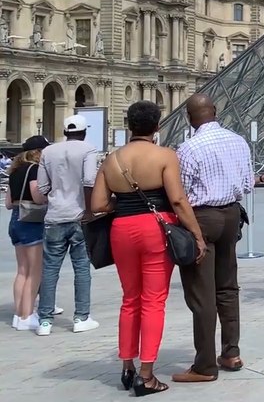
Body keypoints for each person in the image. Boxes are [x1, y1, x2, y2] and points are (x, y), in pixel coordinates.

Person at [91, 100, 206, 395]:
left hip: (122, 230)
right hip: (156, 228)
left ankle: (128, 367)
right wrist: (196, 235)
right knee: (153, 301)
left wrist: (125, 203)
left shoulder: (111, 159)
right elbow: (178, 200)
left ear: (130, 125)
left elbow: (98, 205)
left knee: (130, 299)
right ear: (157, 126)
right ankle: (147, 374)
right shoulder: (165, 155)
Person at [174, 94, 255, 382]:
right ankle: (231, 352)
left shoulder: (187, 149)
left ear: (188, 117)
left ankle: (205, 365)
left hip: (202, 219)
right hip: (231, 215)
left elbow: (179, 195)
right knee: (228, 287)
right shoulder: (238, 141)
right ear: (215, 111)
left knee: (201, 293)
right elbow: (248, 183)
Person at [34, 114, 101, 335]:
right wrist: (90, 211)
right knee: (81, 267)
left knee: (50, 269)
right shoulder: (88, 150)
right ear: (83, 132)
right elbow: (90, 181)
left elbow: (43, 188)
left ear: (65, 132)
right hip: (79, 215)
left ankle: (44, 321)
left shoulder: (48, 152)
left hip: (54, 216)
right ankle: (81, 317)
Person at [6, 137, 49, 331]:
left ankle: (18, 314)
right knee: (35, 271)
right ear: (38, 152)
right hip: (31, 221)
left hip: (15, 219)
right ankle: (27, 314)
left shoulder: (13, 171)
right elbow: (37, 196)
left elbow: (7, 203)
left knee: (22, 270)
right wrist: (46, 197)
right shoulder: (34, 170)